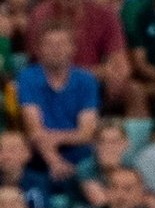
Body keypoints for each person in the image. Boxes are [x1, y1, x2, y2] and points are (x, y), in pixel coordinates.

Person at [17, 20, 102, 178]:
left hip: (77, 149)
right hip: (39, 152)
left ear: (73, 48)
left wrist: (54, 138)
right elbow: (34, 129)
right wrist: (54, 161)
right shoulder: (28, 77)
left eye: (62, 44)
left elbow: (86, 132)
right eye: (49, 44)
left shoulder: (87, 80)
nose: (56, 49)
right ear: (39, 49)